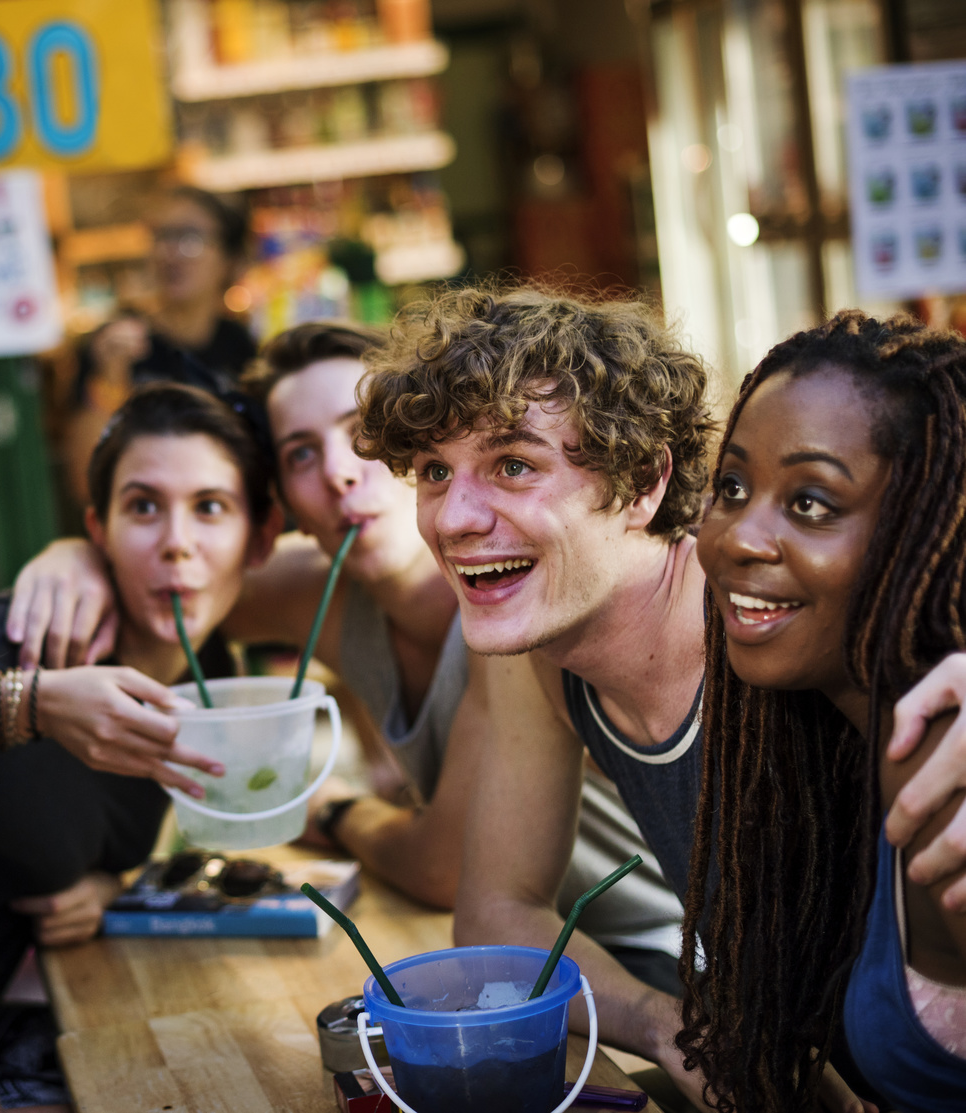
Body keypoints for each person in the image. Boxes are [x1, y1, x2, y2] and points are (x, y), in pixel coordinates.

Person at [355, 283, 966, 1110]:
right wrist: (669, 1026)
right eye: (433, 471)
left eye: (513, 465)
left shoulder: (794, 634)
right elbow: (498, 912)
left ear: (644, 483)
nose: (456, 516)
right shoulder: (536, 643)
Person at [3, 322, 685, 988]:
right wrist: (79, 558)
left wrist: (328, 810)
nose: (336, 473)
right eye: (300, 453)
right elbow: (170, 583)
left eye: (361, 437)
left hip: (642, 947)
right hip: (522, 949)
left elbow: (441, 869)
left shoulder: (511, 597)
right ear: (283, 507)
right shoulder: (314, 588)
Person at [0, 383, 279, 1111]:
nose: (176, 540)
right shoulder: (16, 644)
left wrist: (112, 886)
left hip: (2, 1037)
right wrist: (28, 704)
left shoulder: (218, 679)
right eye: (143, 506)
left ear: (260, 538)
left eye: (210, 507)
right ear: (99, 529)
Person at [684, 311, 966, 1112]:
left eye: (811, 503)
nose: (740, 535)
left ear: (927, 531)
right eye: (732, 487)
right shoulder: (845, 735)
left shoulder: (943, 757)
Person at [62, 188, 257, 505]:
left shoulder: (241, 347)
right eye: (162, 236)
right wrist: (110, 379)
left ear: (230, 259)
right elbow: (86, 480)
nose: (171, 252)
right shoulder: (115, 344)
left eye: (189, 238)